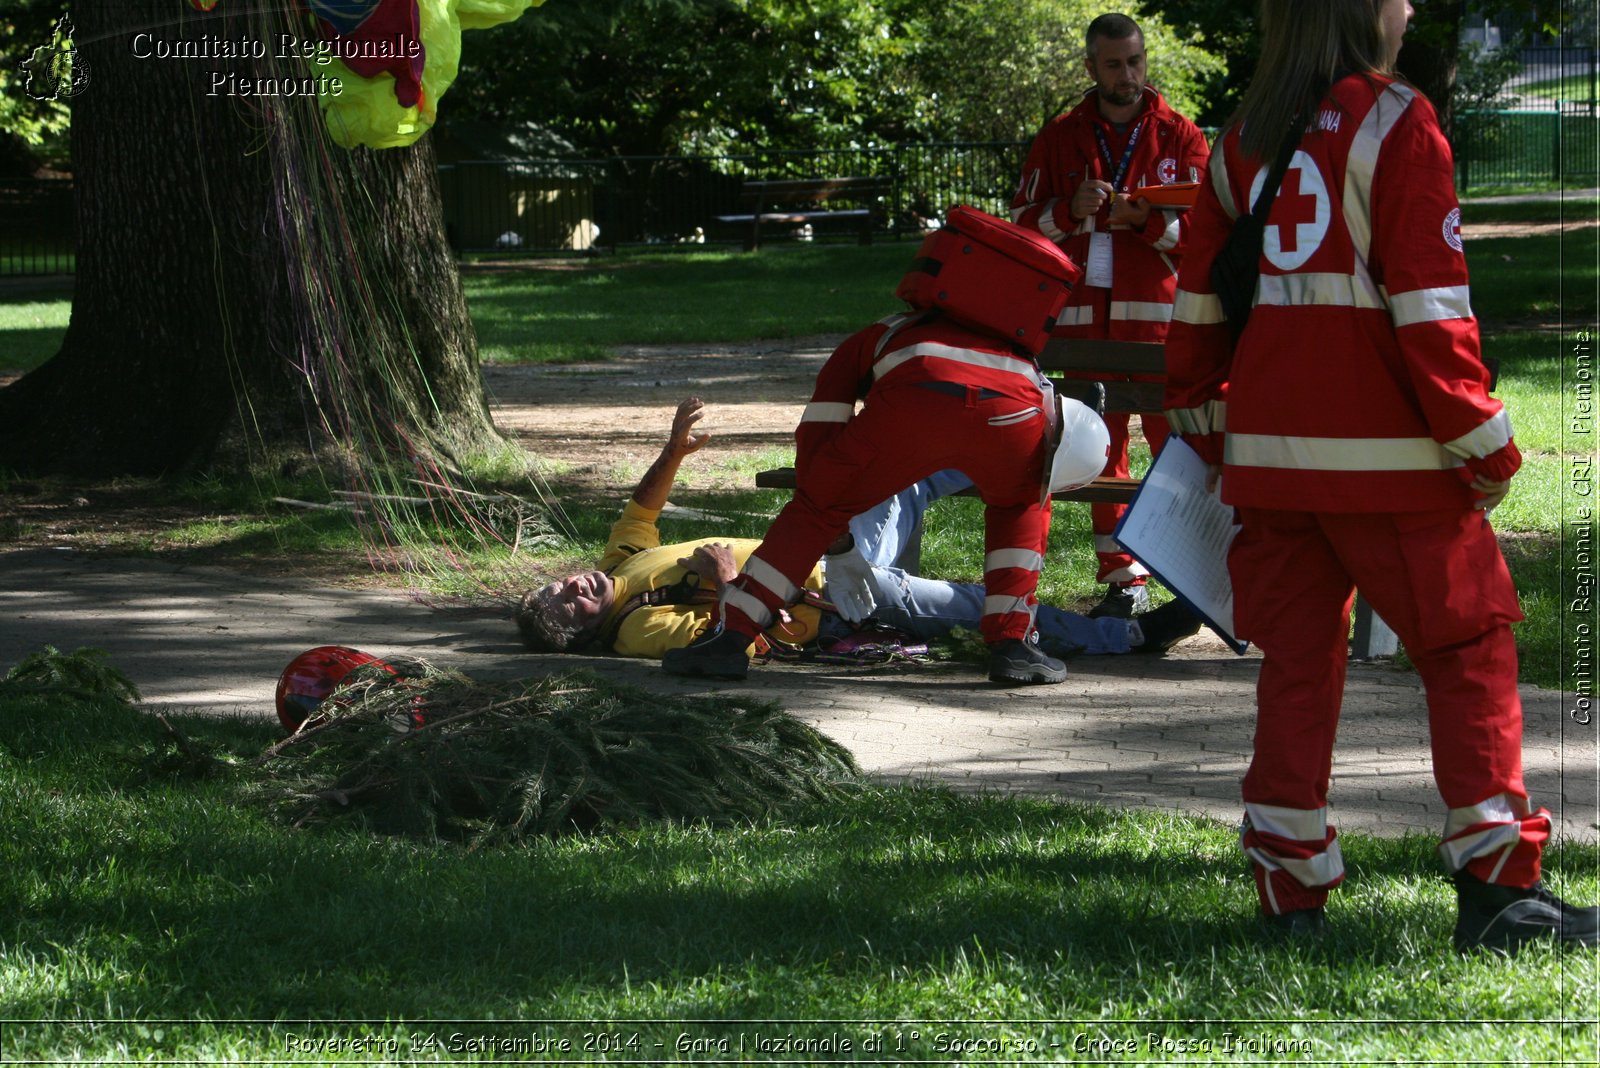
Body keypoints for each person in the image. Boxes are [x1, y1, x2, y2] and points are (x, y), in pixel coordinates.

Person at [1163, 0, 1597, 951]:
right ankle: (1498, 892)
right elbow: (1431, 307)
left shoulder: (1245, 135)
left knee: (1298, 668)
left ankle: (1290, 895)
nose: (1409, 7)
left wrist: (1202, 409)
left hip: (1272, 461)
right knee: (1470, 650)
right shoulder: (1398, 120)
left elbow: (1196, 303)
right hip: (1391, 464)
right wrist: (1483, 441)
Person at [660, 206, 1132, 686]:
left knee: (811, 513)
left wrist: (828, 516)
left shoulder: (886, 332)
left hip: (914, 401)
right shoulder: (1028, 374)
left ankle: (729, 639)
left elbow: (822, 428)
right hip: (1013, 421)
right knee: (1022, 510)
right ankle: (1012, 646)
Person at [517, 396, 1200, 661]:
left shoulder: (620, 566)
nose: (573, 583)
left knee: (909, 473)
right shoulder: (636, 629)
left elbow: (640, 513)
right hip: (842, 597)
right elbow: (741, 644)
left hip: (839, 540)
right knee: (976, 605)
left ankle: (1035, 458)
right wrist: (725, 578)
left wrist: (674, 452)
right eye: (567, 602)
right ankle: (1132, 635)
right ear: (584, 631)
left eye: (557, 583)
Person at [1011, 12, 1211, 619]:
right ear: (1091, 67)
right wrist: (1068, 211)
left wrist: (1145, 221)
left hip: (1157, 328)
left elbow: (1210, 235)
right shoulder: (1060, 135)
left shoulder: (1181, 135)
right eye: (1115, 65)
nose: (1129, 76)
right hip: (1078, 328)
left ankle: (1195, 578)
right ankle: (1124, 581)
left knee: (1181, 449)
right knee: (1099, 450)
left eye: (1136, 62)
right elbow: (1019, 223)